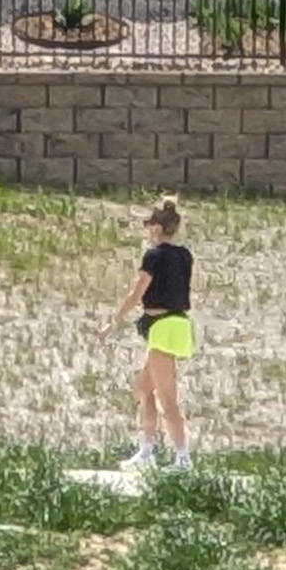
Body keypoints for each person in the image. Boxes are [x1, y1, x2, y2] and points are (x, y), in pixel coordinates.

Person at [103, 194, 193, 468]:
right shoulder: (184, 255)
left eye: (148, 224)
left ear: (157, 227)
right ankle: (146, 452)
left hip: (163, 327)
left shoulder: (153, 256)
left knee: (168, 398)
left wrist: (114, 321)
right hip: (177, 324)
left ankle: (182, 458)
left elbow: (137, 292)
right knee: (144, 388)